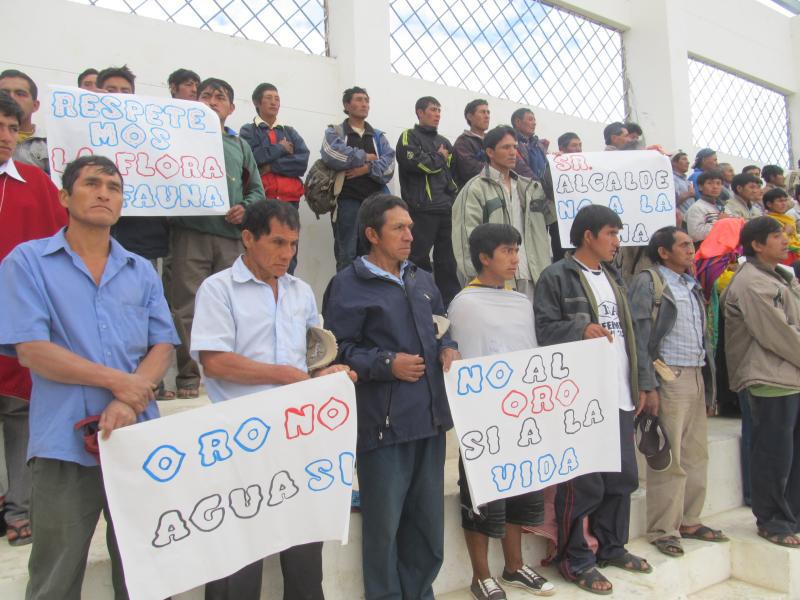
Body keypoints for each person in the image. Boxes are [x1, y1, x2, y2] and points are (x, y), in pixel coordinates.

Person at [0, 155, 178, 598]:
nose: (104, 193)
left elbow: (162, 345)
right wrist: (118, 382)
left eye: (114, 187)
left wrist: (127, 400)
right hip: (63, 447)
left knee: (145, 571)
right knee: (55, 576)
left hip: (136, 440)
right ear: (64, 196)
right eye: (92, 184)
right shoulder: (28, 263)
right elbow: (32, 350)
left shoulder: (140, 270)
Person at [191, 199, 355, 600]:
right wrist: (282, 375)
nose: (287, 254)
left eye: (294, 244)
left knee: (303, 549)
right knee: (240, 556)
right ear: (248, 238)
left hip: (297, 435)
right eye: (278, 242)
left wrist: (327, 374)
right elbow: (214, 362)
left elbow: (314, 355)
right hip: (241, 440)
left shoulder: (300, 292)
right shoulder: (218, 289)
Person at [322, 194, 460, 599]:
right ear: (371, 234)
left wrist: (448, 346)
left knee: (427, 528)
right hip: (383, 427)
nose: (409, 235)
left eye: (410, 227)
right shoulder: (348, 284)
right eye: (398, 228)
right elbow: (336, 350)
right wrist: (386, 364)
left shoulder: (421, 278)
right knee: (384, 532)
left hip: (430, 421)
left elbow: (440, 325)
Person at [534, 205, 649, 595]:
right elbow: (544, 330)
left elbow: (633, 339)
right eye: (611, 233)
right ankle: (575, 558)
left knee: (622, 478)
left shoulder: (615, 277)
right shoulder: (557, 276)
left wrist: (643, 384)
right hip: (582, 399)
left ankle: (612, 546)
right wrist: (580, 329)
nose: (618, 242)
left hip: (619, 392)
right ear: (588, 236)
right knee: (582, 485)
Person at [448, 223, 555, 599]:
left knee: (521, 488)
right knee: (482, 499)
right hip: (483, 420)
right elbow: (463, 366)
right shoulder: (464, 304)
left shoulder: (522, 301)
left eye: (516, 250)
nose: (515, 259)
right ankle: (481, 575)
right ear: (483, 257)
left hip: (522, 415)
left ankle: (514, 566)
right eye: (507, 251)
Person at [628, 227, 726, 559]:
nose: (690, 249)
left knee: (697, 453)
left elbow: (703, 337)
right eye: (683, 245)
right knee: (667, 458)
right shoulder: (649, 281)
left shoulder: (692, 283)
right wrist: (647, 384)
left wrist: (709, 385)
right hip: (668, 377)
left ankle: (690, 521)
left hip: (696, 374)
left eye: (690, 244)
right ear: (663, 252)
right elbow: (639, 336)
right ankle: (663, 529)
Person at [170, 77, 265, 399]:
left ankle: (232, 371)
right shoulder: (176, 139)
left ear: (231, 108)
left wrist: (245, 208)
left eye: (220, 97)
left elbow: (257, 191)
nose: (212, 102)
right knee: (186, 307)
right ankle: (188, 377)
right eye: (206, 96)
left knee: (235, 305)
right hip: (189, 234)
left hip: (230, 238)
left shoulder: (240, 146)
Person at [0, 92, 67, 547]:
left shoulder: (34, 182)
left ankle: (19, 507)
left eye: (12, 128)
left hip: (16, 314)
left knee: (17, 409)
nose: (6, 138)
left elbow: (58, 245)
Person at [722, 217, 800, 548]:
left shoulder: (778, 276)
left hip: (790, 375)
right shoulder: (752, 283)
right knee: (773, 453)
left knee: (792, 453)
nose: (785, 239)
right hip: (767, 377)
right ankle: (771, 520)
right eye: (776, 236)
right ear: (756, 244)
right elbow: (777, 334)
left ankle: (791, 514)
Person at [452, 125, 553, 301]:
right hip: (495, 282)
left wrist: (553, 176)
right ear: (490, 152)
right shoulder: (475, 189)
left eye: (514, 147)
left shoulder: (529, 188)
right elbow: (464, 240)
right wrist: (478, 282)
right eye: (506, 147)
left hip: (533, 275)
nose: (513, 152)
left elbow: (552, 217)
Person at [320, 86, 395, 271]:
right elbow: (332, 154)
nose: (364, 104)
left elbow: (390, 165)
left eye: (366, 100)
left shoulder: (378, 136)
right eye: (359, 100)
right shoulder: (335, 132)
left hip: (376, 204)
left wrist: (366, 169)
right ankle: (346, 296)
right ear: (347, 105)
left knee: (374, 254)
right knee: (347, 254)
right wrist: (364, 156)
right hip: (347, 202)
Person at [396, 96, 460, 305]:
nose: (437, 114)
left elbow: (449, 172)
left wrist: (438, 158)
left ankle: (449, 304)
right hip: (421, 209)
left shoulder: (444, 142)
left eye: (439, 110)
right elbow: (416, 164)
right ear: (419, 112)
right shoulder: (408, 136)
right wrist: (439, 158)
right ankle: (418, 301)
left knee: (448, 262)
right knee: (417, 258)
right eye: (433, 110)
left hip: (446, 209)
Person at [239, 83, 310, 274]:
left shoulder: (290, 132)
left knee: (289, 251)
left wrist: (270, 166)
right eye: (269, 98)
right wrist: (280, 149)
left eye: (277, 98)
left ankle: (284, 292)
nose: (274, 102)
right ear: (256, 102)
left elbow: (301, 162)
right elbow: (251, 158)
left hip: (290, 201)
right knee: (261, 247)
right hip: (262, 198)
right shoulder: (248, 131)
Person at [0, 69, 48, 173]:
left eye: (20, 94)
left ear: (35, 105)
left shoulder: (51, 143)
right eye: (4, 93)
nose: (11, 97)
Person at [452, 99, 490, 190]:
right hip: (473, 195)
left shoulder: (494, 140)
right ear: (470, 116)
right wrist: (498, 169)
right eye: (482, 112)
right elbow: (471, 171)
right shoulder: (463, 142)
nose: (487, 116)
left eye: (488, 112)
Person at [686, 170, 726, 242]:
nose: (715, 187)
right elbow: (695, 235)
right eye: (710, 183)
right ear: (700, 187)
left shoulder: (724, 207)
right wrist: (720, 223)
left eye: (718, 183)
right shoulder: (697, 208)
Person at [763, 187, 800, 264]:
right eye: (779, 201)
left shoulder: (788, 218)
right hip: (784, 256)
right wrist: (786, 232)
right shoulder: (768, 221)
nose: (784, 204)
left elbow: (795, 237)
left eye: (785, 200)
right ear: (769, 204)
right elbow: (772, 242)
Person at [672, 152, 695, 220]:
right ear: (674, 163)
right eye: (684, 159)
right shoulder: (672, 178)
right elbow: (673, 201)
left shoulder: (685, 180)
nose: (688, 162)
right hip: (682, 220)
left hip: (690, 219)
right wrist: (689, 194)